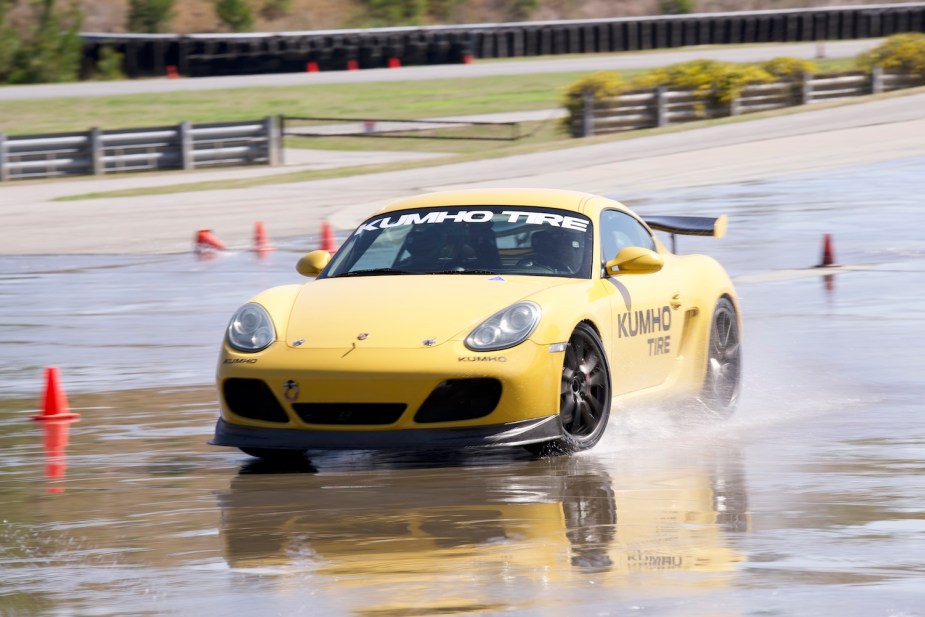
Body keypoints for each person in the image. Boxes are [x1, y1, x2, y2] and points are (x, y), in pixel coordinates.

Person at [519, 228, 583, 274]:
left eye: (567, 243)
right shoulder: (527, 262)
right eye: (561, 244)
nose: (564, 248)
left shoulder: (583, 263)